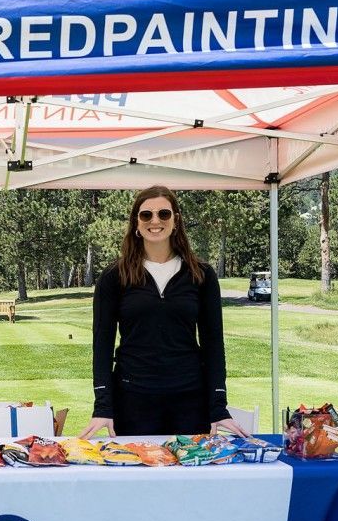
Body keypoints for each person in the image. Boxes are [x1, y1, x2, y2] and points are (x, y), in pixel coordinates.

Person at [81, 186, 248, 439]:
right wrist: (103, 406)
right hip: (132, 401)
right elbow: (101, 344)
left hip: (190, 401)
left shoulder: (201, 274)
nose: (155, 221)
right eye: (146, 215)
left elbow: (214, 342)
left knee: (189, 479)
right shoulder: (114, 276)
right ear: (136, 222)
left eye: (164, 214)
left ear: (176, 220)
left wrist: (218, 406)